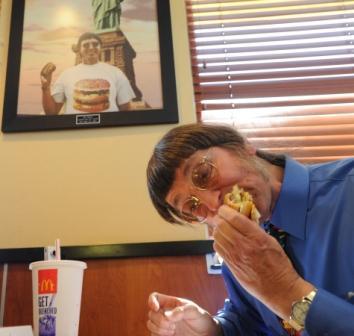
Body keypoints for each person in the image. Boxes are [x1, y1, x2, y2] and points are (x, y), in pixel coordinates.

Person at [146, 123, 354, 335]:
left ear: (242, 146)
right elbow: (248, 321)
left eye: (203, 174)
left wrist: (285, 291)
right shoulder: (238, 248)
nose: (211, 203)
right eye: (192, 206)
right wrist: (211, 330)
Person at [40, 32, 135, 115]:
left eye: (95, 44)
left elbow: (126, 109)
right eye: (85, 45)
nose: (91, 48)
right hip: (76, 132)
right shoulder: (66, 75)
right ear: (79, 50)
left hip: (108, 131)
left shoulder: (116, 72)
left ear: (100, 48)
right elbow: (51, 112)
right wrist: (46, 87)